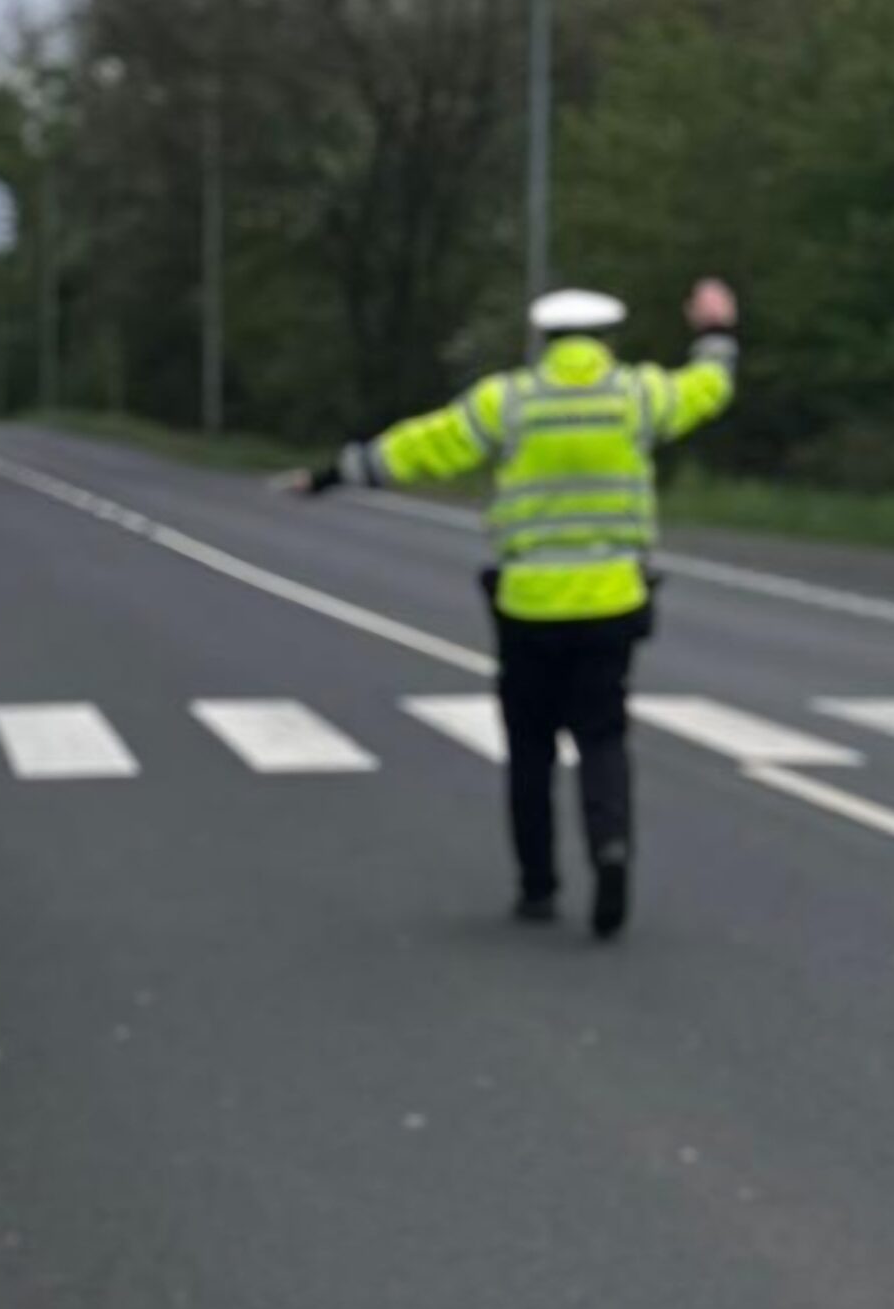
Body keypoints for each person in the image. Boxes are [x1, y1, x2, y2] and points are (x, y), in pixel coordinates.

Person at [285, 280, 739, 939]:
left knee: (530, 749)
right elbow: (707, 389)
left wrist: (332, 475)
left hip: (528, 606)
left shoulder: (510, 401)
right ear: (607, 339)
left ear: (542, 339)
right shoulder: (637, 396)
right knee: (603, 737)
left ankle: (537, 886)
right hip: (614, 600)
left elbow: (423, 445)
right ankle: (611, 850)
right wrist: (716, 331)